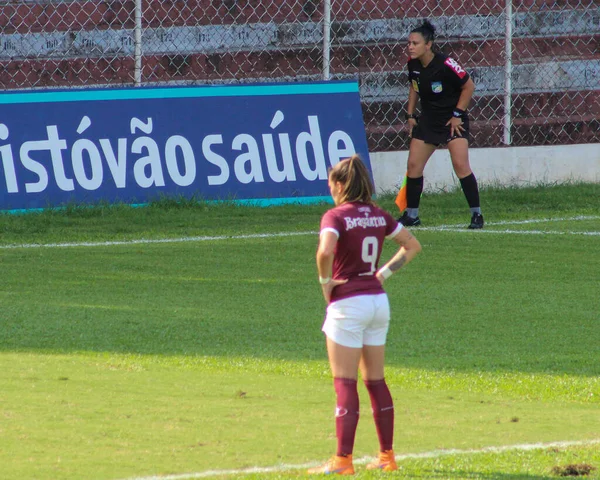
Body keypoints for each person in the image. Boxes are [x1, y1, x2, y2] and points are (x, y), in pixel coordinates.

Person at [308, 155, 422, 475]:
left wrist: (325, 282)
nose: (330, 190)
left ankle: (343, 460)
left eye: (331, 184)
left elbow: (325, 251)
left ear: (341, 185)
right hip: (377, 302)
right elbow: (412, 246)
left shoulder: (335, 216)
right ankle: (387, 456)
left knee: (345, 382)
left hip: (348, 306)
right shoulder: (377, 214)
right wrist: (382, 275)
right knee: (376, 381)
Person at [398, 19, 484, 229]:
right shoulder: (413, 65)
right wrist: (410, 114)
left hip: (453, 120)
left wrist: (457, 114)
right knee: (413, 166)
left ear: (428, 45)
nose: (410, 47)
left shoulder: (446, 64)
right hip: (429, 119)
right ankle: (412, 215)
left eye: (415, 43)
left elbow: (469, 87)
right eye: (409, 43)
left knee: (460, 165)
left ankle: (477, 215)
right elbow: (414, 87)